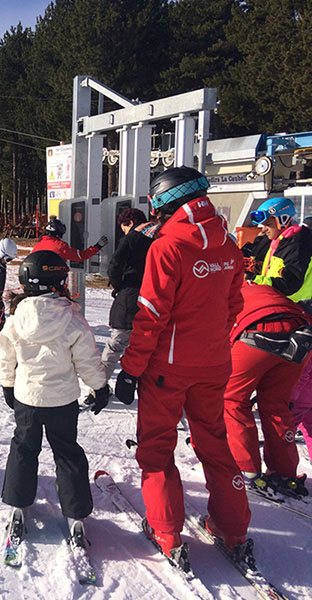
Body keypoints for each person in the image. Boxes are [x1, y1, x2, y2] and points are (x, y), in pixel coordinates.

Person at [115, 166, 252, 571]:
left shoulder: (168, 246)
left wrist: (130, 368)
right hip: (213, 366)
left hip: (167, 370)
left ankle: (167, 531)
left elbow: (152, 314)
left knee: (156, 448)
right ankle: (234, 528)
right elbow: (233, 306)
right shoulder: (228, 244)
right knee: (214, 444)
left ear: (164, 202)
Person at [0, 250, 109, 549]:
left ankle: (19, 503)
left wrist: (8, 384)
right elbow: (87, 360)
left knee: (24, 447)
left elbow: (4, 354)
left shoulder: (16, 318)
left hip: (28, 399)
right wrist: (99, 386)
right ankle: (76, 512)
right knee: (66, 451)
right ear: (57, 281)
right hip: (62, 401)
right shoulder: (72, 319)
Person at [223, 280, 311, 498]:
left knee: (232, 400)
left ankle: (247, 468)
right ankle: (285, 471)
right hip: (299, 332)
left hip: (256, 330)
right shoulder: (258, 287)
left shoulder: (221, 291)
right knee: (277, 406)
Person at [99, 208, 151, 379]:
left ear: (128, 223)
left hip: (129, 296)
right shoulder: (158, 237)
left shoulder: (130, 239)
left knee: (116, 345)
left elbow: (114, 265)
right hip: (152, 298)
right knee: (148, 346)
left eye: (124, 227)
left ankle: (99, 386)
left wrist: (118, 285)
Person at [249, 196, 312, 301]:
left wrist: (254, 281)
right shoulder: (279, 241)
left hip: (297, 307)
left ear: (283, 220)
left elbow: (290, 284)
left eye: (268, 225)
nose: (264, 230)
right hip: (279, 302)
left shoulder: (298, 244)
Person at [32, 217, 107, 262]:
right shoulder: (61, 246)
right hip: (55, 280)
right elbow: (81, 256)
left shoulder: (38, 245)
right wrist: (97, 246)